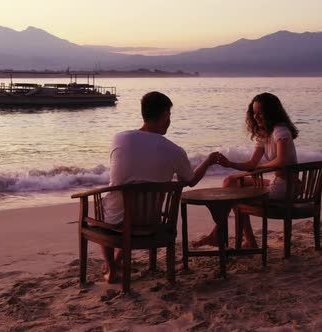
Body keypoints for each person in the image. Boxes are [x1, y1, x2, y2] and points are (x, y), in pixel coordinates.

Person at [100, 91, 219, 283]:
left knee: (113, 212)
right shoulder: (174, 150)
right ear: (165, 115)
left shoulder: (119, 139)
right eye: (169, 115)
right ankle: (114, 266)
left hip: (114, 221)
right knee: (133, 214)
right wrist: (208, 161)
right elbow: (190, 180)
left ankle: (112, 268)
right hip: (150, 220)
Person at [194, 92, 298, 248]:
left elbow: (281, 160)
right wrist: (230, 164)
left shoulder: (280, 131)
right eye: (254, 113)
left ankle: (244, 240)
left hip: (285, 189)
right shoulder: (265, 135)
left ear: (271, 112)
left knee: (235, 197)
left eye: (260, 112)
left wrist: (259, 169)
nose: (256, 117)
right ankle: (222, 235)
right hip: (279, 184)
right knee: (230, 181)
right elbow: (251, 163)